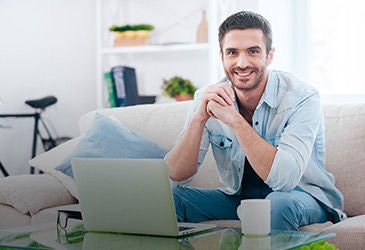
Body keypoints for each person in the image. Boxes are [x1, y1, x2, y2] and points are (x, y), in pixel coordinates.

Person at [165, 10, 346, 230]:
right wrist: (199, 118)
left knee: (277, 204)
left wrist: (235, 120)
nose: (242, 63)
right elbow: (176, 176)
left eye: (253, 51)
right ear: (221, 56)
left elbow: (285, 180)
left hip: (300, 196)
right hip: (241, 198)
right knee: (169, 200)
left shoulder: (302, 98)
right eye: (232, 52)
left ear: (269, 55)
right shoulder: (208, 97)